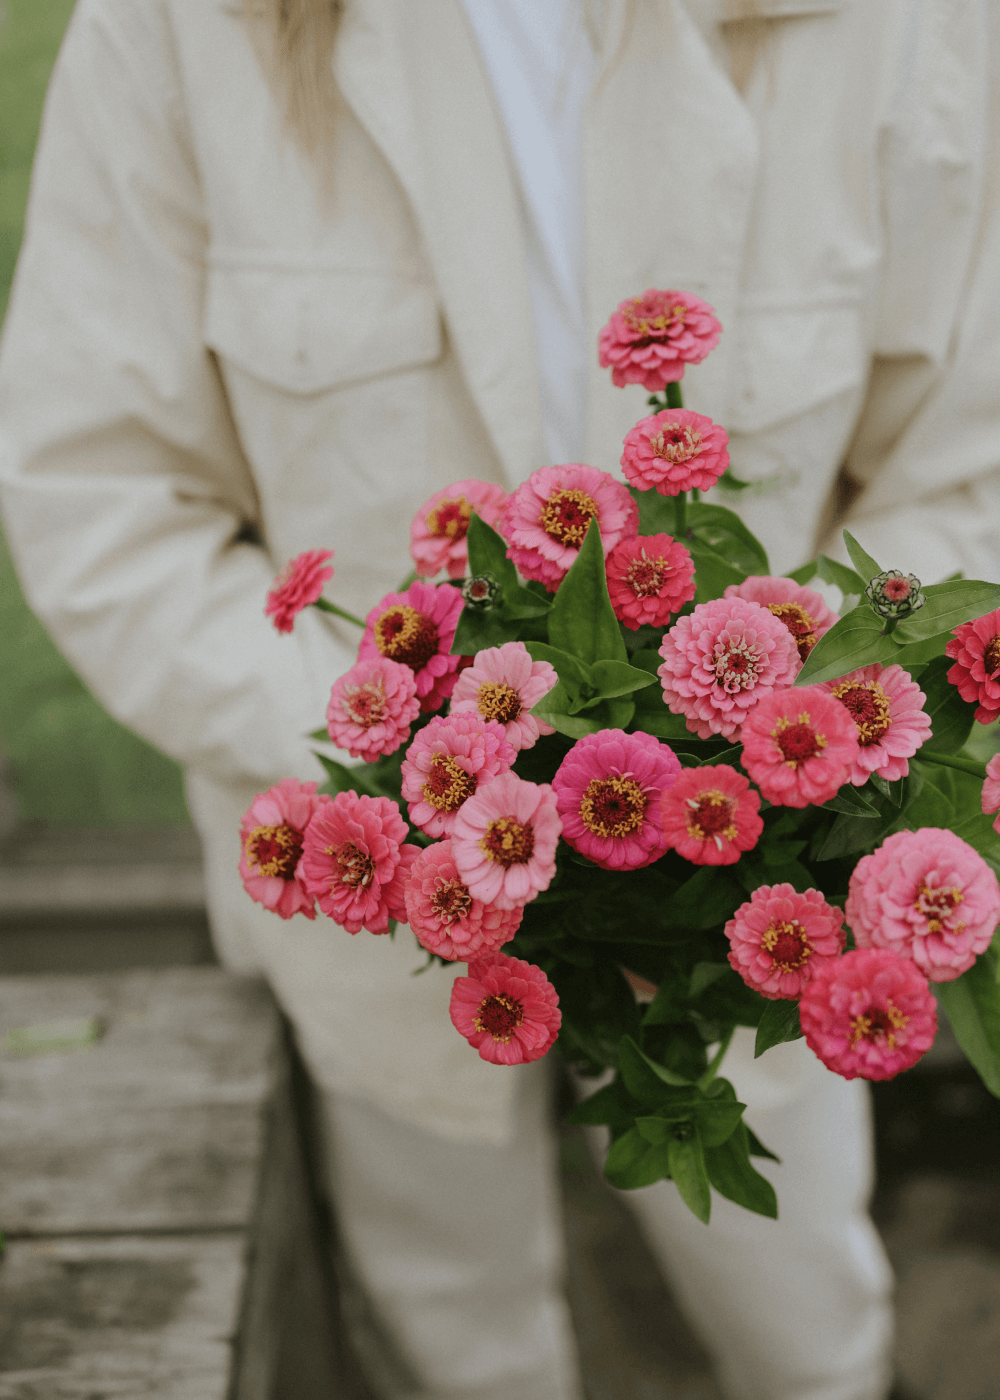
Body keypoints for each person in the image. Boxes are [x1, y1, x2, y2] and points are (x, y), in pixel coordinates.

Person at [2, 2, 998, 1397]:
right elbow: (100, 497)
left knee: (800, 1310)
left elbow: (969, 455)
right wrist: (399, 763)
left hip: (746, 872)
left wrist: (779, 729)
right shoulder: (187, 28)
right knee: (453, 1320)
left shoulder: (891, 25)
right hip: (387, 891)